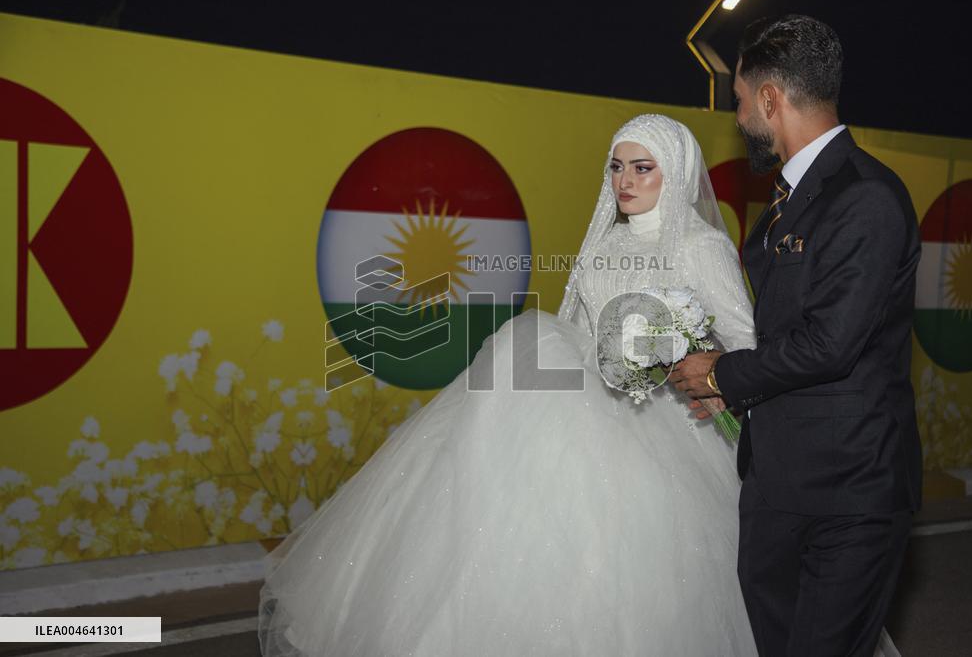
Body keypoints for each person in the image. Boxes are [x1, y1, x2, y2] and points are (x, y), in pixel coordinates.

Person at [258, 114, 761, 656]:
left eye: (643, 168)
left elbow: (744, 339)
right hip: (584, 405)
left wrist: (693, 365)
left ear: (677, 171)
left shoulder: (700, 246)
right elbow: (583, 329)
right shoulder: (604, 243)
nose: (624, 181)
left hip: (668, 425)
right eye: (617, 167)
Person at [672, 15, 921, 657]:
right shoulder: (790, 195)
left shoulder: (865, 197)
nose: (739, 119)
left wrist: (723, 373)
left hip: (850, 490)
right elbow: (786, 331)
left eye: (740, 103)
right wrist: (737, 394)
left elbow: (829, 343)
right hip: (778, 486)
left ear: (771, 99)